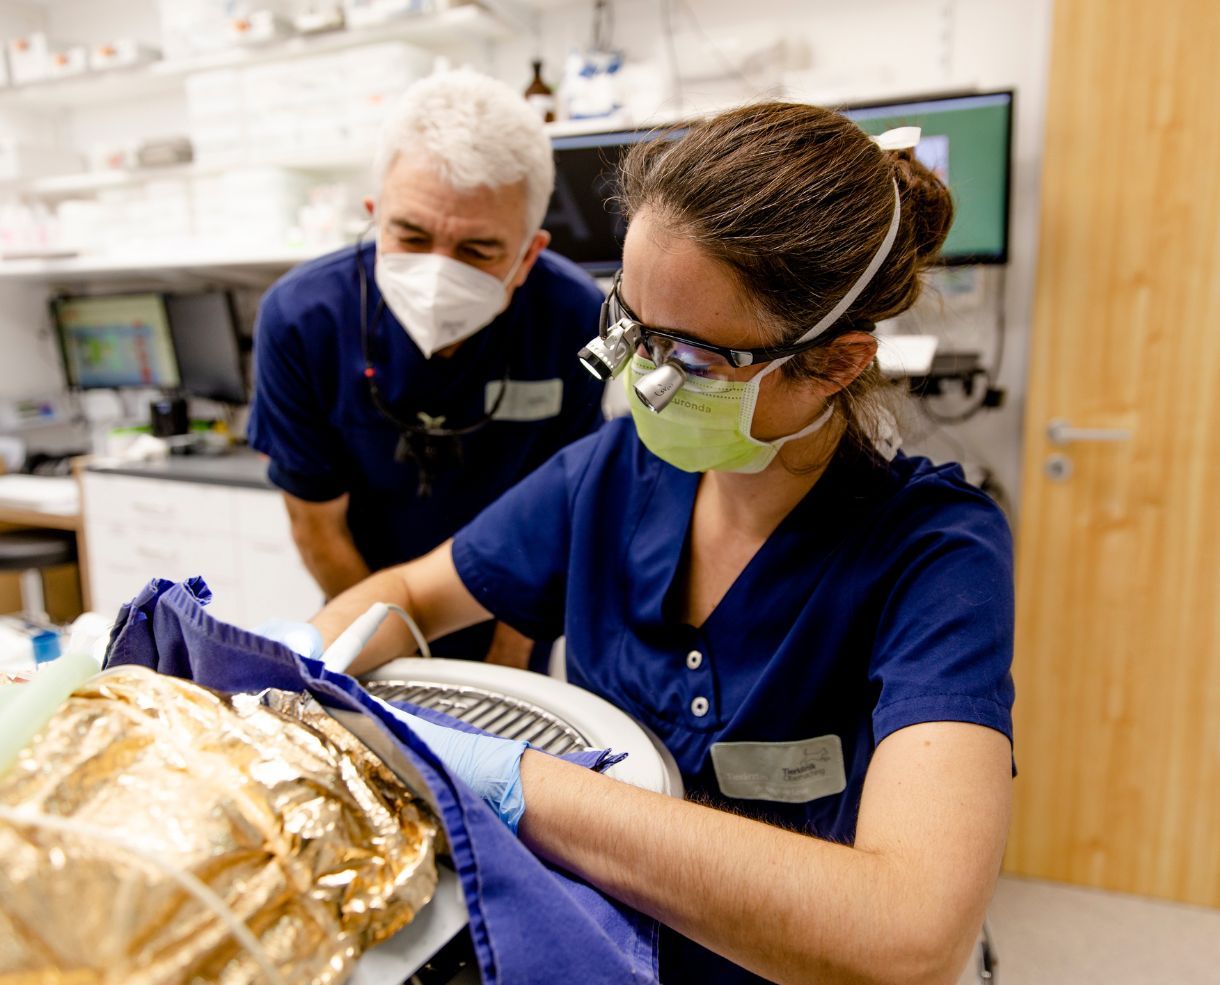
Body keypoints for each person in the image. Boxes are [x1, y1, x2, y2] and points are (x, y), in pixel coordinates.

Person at [306, 102, 1015, 984]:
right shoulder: (609, 474)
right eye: (633, 325)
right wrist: (319, 660)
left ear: (833, 362)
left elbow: (912, 934)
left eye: (693, 355)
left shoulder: (935, 553)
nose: (646, 378)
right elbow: (407, 596)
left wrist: (515, 781)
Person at [247, 69, 607, 664]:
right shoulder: (301, 319)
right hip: (362, 599)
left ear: (527, 255)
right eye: (410, 237)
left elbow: (558, 521)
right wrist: (396, 658)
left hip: (513, 608)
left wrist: (506, 669)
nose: (439, 274)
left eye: (477, 250)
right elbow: (318, 527)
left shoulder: (573, 320)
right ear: (375, 213)